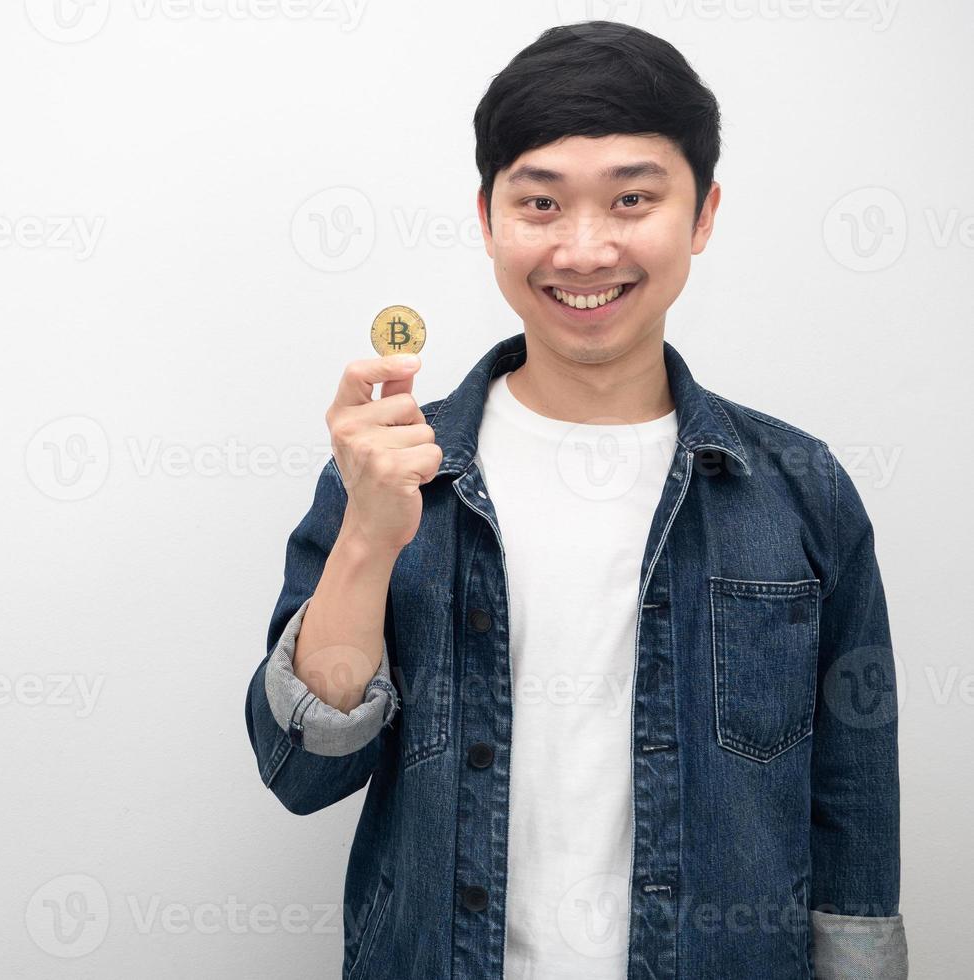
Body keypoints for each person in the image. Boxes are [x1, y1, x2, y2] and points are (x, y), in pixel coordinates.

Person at [244, 20, 907, 980]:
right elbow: (303, 771)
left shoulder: (801, 490)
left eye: (632, 199)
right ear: (486, 219)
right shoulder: (395, 467)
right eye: (541, 203)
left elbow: (853, 805)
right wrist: (367, 542)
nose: (585, 249)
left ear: (703, 214)